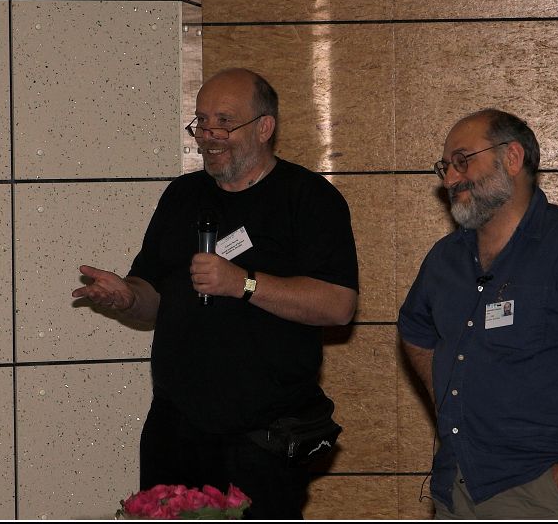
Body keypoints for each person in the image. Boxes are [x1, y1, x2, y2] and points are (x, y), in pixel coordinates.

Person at [72, 68, 359, 519]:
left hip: (262, 438)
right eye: (202, 123)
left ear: (265, 127)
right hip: (175, 432)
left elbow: (339, 305)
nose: (210, 135)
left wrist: (242, 283)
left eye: (225, 122)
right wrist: (127, 296)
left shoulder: (308, 199)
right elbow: (152, 296)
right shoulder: (181, 196)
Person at [398, 109, 558, 519]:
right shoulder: (445, 259)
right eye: (445, 167)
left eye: (462, 161)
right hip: (455, 486)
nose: (449, 179)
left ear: (512, 158)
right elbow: (414, 330)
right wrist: (452, 404)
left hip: (541, 491)